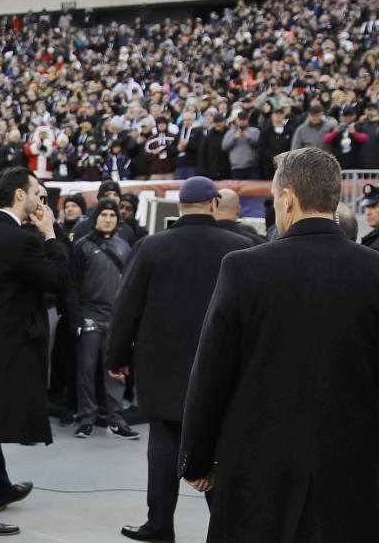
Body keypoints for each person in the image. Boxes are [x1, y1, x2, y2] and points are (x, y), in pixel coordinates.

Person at [179, 148, 379, 542]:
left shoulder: (244, 269)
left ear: (288, 198)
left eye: (275, 196)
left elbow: (211, 372)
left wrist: (196, 458)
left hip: (257, 469)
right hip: (347, 469)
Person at [107, 177, 251, 542]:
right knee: (218, 448)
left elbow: (126, 307)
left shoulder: (152, 246)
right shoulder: (240, 247)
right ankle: (225, 528)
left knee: (163, 445)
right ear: (214, 204)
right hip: (221, 368)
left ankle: (159, 525)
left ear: (179, 206)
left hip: (162, 366)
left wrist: (117, 355)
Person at [0, 166, 69, 536]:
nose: (41, 200)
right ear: (20, 195)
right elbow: (58, 280)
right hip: (5, 344)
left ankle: (0, 488)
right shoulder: (21, 240)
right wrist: (51, 234)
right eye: (37, 193)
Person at [66, 199, 137, 440]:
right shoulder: (82, 247)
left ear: (118, 220)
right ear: (95, 217)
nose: (108, 218)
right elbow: (72, 285)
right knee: (85, 371)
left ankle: (116, 419)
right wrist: (75, 318)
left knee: (115, 372)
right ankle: (86, 418)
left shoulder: (126, 247)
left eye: (112, 215)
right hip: (89, 315)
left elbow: (130, 287)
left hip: (115, 319)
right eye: (103, 214)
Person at [221, 112, 261, 179]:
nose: (242, 122)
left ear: (247, 120)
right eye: (240, 120)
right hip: (236, 168)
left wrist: (248, 138)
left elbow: (259, 145)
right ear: (237, 120)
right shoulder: (230, 133)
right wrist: (234, 138)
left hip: (252, 167)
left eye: (244, 120)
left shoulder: (255, 131)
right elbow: (224, 147)